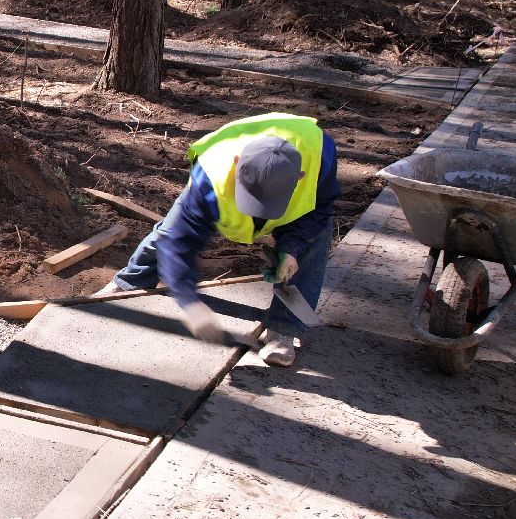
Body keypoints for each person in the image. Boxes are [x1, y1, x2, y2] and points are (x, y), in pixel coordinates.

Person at [97, 113, 340, 367]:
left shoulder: (319, 159)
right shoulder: (211, 172)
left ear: (300, 177)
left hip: (305, 167)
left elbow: (319, 209)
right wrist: (189, 300)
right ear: (237, 164)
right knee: (170, 233)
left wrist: (291, 248)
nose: (256, 213)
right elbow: (181, 243)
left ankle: (285, 328)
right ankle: (130, 281)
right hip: (214, 182)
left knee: (314, 241)